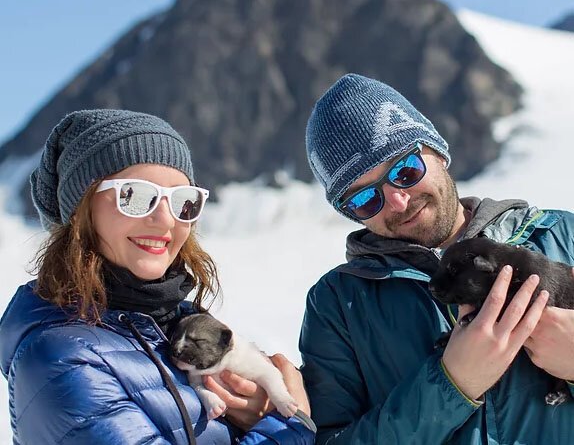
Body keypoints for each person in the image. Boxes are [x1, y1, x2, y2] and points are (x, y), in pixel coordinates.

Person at [0, 109, 315, 445]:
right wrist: (292, 428)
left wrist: (258, 410)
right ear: (82, 211)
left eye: (183, 200)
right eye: (134, 195)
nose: (165, 220)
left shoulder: (174, 322)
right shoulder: (61, 359)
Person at [300, 73, 574, 444]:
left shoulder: (562, 237)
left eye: (405, 171)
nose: (398, 201)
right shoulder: (337, 305)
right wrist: (451, 385)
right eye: (365, 199)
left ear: (437, 151)